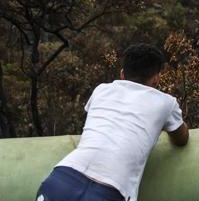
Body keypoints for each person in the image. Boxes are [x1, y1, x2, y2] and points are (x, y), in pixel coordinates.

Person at [37, 43, 189, 201]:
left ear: (122, 74)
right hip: (111, 191)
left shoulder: (101, 90)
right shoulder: (166, 102)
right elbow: (181, 139)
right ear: (157, 78)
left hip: (62, 178)